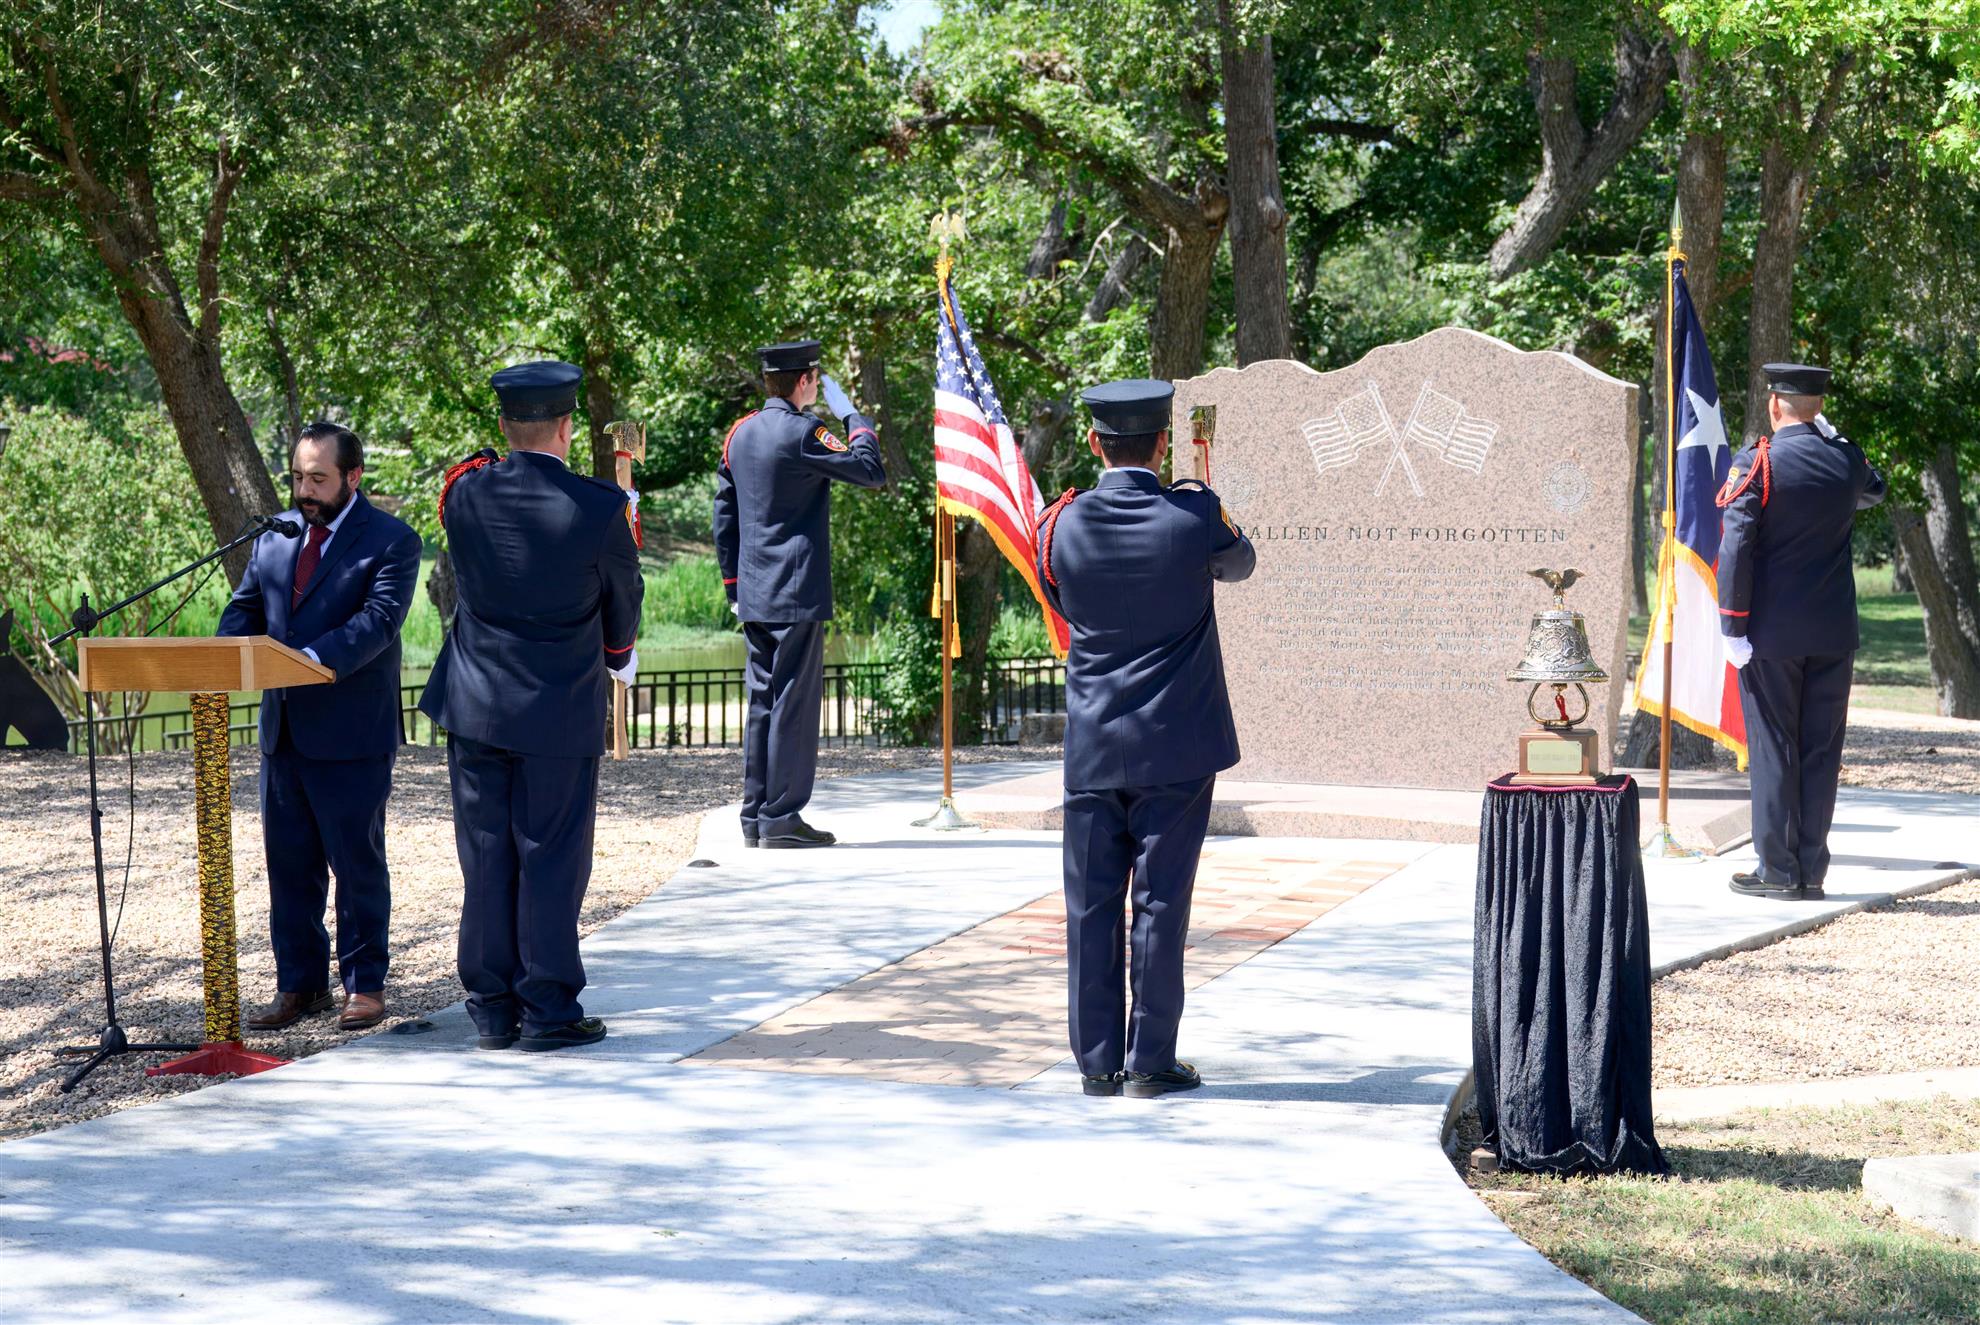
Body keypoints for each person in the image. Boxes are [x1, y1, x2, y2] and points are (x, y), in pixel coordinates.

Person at [1035, 379, 1255, 1099]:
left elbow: (1059, 596)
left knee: (1090, 906)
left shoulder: (1057, 524)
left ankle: (1097, 1063)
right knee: (1161, 904)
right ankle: (1150, 1061)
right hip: (1177, 744)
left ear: (1093, 442)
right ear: (1162, 443)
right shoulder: (1194, 514)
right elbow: (1241, 563)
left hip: (1095, 743)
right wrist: (1203, 507)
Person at [419, 361, 644, 1051]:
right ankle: (547, 1007)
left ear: (503, 424)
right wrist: (618, 655)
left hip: (475, 702)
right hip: (557, 705)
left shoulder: (463, 493)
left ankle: (492, 1008)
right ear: (567, 427)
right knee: (550, 857)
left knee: (486, 855)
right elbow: (622, 598)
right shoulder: (600, 508)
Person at [219, 421, 422, 1032]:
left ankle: (364, 985)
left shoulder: (391, 540)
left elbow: (378, 621)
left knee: (356, 866)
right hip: (283, 732)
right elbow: (245, 610)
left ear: (352, 477)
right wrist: (221, 653)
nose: (304, 490)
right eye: (298, 477)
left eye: (318, 478)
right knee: (289, 867)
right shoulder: (275, 536)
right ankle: (300, 986)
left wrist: (307, 660)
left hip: (351, 733)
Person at [1717, 362, 1887, 901]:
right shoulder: (1846, 461)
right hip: (1833, 632)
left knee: (1775, 747)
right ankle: (1811, 870)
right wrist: (1836, 439)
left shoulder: (1759, 462)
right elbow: (1875, 489)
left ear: (1774, 404)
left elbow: (1736, 547)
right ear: (1819, 408)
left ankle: (1777, 870)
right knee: (1820, 750)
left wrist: (1732, 625)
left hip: (1771, 635)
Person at [712, 339, 885, 848]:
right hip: (796, 591)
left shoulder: (739, 433)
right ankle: (782, 818)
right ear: (805, 381)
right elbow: (870, 471)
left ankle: (755, 815)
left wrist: (733, 585)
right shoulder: (806, 431)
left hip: (754, 591)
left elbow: (724, 513)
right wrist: (855, 420)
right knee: (793, 703)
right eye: (815, 378)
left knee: (763, 703)